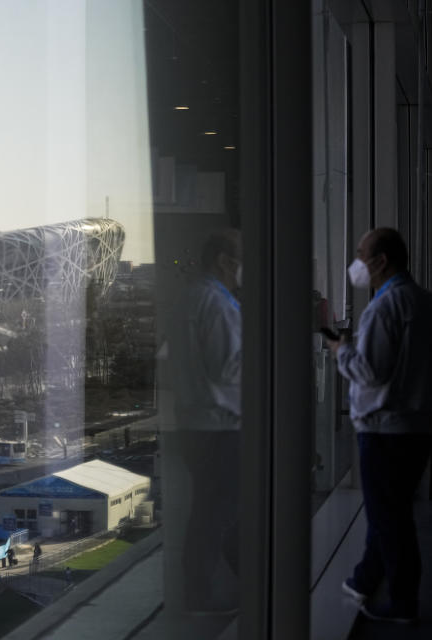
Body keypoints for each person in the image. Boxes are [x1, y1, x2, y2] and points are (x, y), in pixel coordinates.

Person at [328, 228, 432, 624]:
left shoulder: (384, 307)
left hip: (384, 431)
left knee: (389, 519)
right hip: (418, 426)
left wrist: (340, 350)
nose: (356, 262)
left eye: (361, 254)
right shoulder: (428, 303)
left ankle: (402, 602)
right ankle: (364, 580)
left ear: (380, 261)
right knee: (390, 512)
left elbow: (370, 371)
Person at [167, 228, 242, 616]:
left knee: (214, 512)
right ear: (223, 260)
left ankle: (236, 580)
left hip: (195, 423)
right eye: (240, 258)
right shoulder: (217, 302)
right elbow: (228, 367)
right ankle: (200, 597)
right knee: (216, 516)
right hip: (219, 425)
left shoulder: (191, 297)